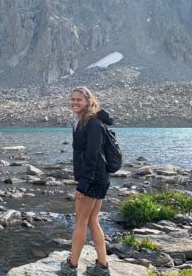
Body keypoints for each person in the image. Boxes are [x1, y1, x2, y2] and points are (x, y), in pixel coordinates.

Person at [60, 86, 112, 276]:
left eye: (78, 100)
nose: (74, 103)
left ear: (88, 101)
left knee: (80, 222)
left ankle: (71, 267)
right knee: (92, 221)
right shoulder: (84, 121)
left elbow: (92, 156)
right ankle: (102, 266)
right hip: (98, 178)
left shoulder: (92, 123)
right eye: (72, 99)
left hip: (92, 179)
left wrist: (83, 184)